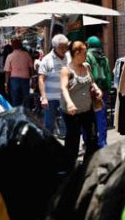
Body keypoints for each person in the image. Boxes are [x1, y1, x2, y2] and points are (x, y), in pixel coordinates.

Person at [60, 40, 102, 169]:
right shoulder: (66, 70)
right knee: (73, 140)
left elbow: (92, 82)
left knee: (92, 138)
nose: (86, 55)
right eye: (84, 52)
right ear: (76, 53)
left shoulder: (86, 66)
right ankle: (70, 169)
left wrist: (97, 89)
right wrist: (69, 103)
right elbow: (63, 88)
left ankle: (88, 166)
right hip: (72, 112)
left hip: (87, 109)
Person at [39, 34, 70, 137]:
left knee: (67, 124)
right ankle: (47, 144)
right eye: (62, 47)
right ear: (55, 47)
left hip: (65, 97)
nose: (64, 49)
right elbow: (41, 79)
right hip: (50, 98)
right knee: (49, 125)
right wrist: (44, 98)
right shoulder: (46, 59)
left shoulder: (69, 57)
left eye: (66, 47)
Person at [85, 36, 112, 147]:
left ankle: (89, 141)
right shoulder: (104, 57)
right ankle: (102, 141)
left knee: (88, 117)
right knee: (101, 117)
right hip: (103, 91)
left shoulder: (87, 56)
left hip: (91, 90)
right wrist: (108, 90)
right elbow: (108, 75)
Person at [5, 38, 34, 107]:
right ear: (21, 45)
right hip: (25, 79)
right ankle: (26, 112)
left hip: (14, 80)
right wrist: (32, 79)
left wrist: (6, 82)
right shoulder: (26, 55)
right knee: (26, 98)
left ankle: (17, 112)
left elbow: (7, 71)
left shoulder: (10, 56)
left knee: (15, 99)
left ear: (13, 46)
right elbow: (31, 68)